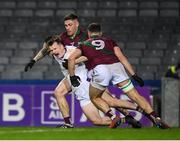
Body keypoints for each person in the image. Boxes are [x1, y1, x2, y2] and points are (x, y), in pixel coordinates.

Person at [24, 13, 141, 128]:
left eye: (70, 25)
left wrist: (76, 61)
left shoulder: (86, 37)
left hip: (88, 71)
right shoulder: (62, 38)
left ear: (77, 24)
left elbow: (94, 52)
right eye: (66, 25)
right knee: (58, 92)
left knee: (107, 98)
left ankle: (128, 115)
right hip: (71, 74)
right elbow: (46, 49)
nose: (67, 28)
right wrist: (34, 60)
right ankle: (68, 123)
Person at [68, 22, 170, 129]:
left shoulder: (84, 44)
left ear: (88, 33)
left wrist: (72, 77)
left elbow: (71, 59)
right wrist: (134, 74)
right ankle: (156, 118)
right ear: (101, 33)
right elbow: (121, 57)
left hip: (101, 69)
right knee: (136, 96)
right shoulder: (109, 41)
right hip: (117, 67)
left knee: (94, 97)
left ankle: (113, 117)